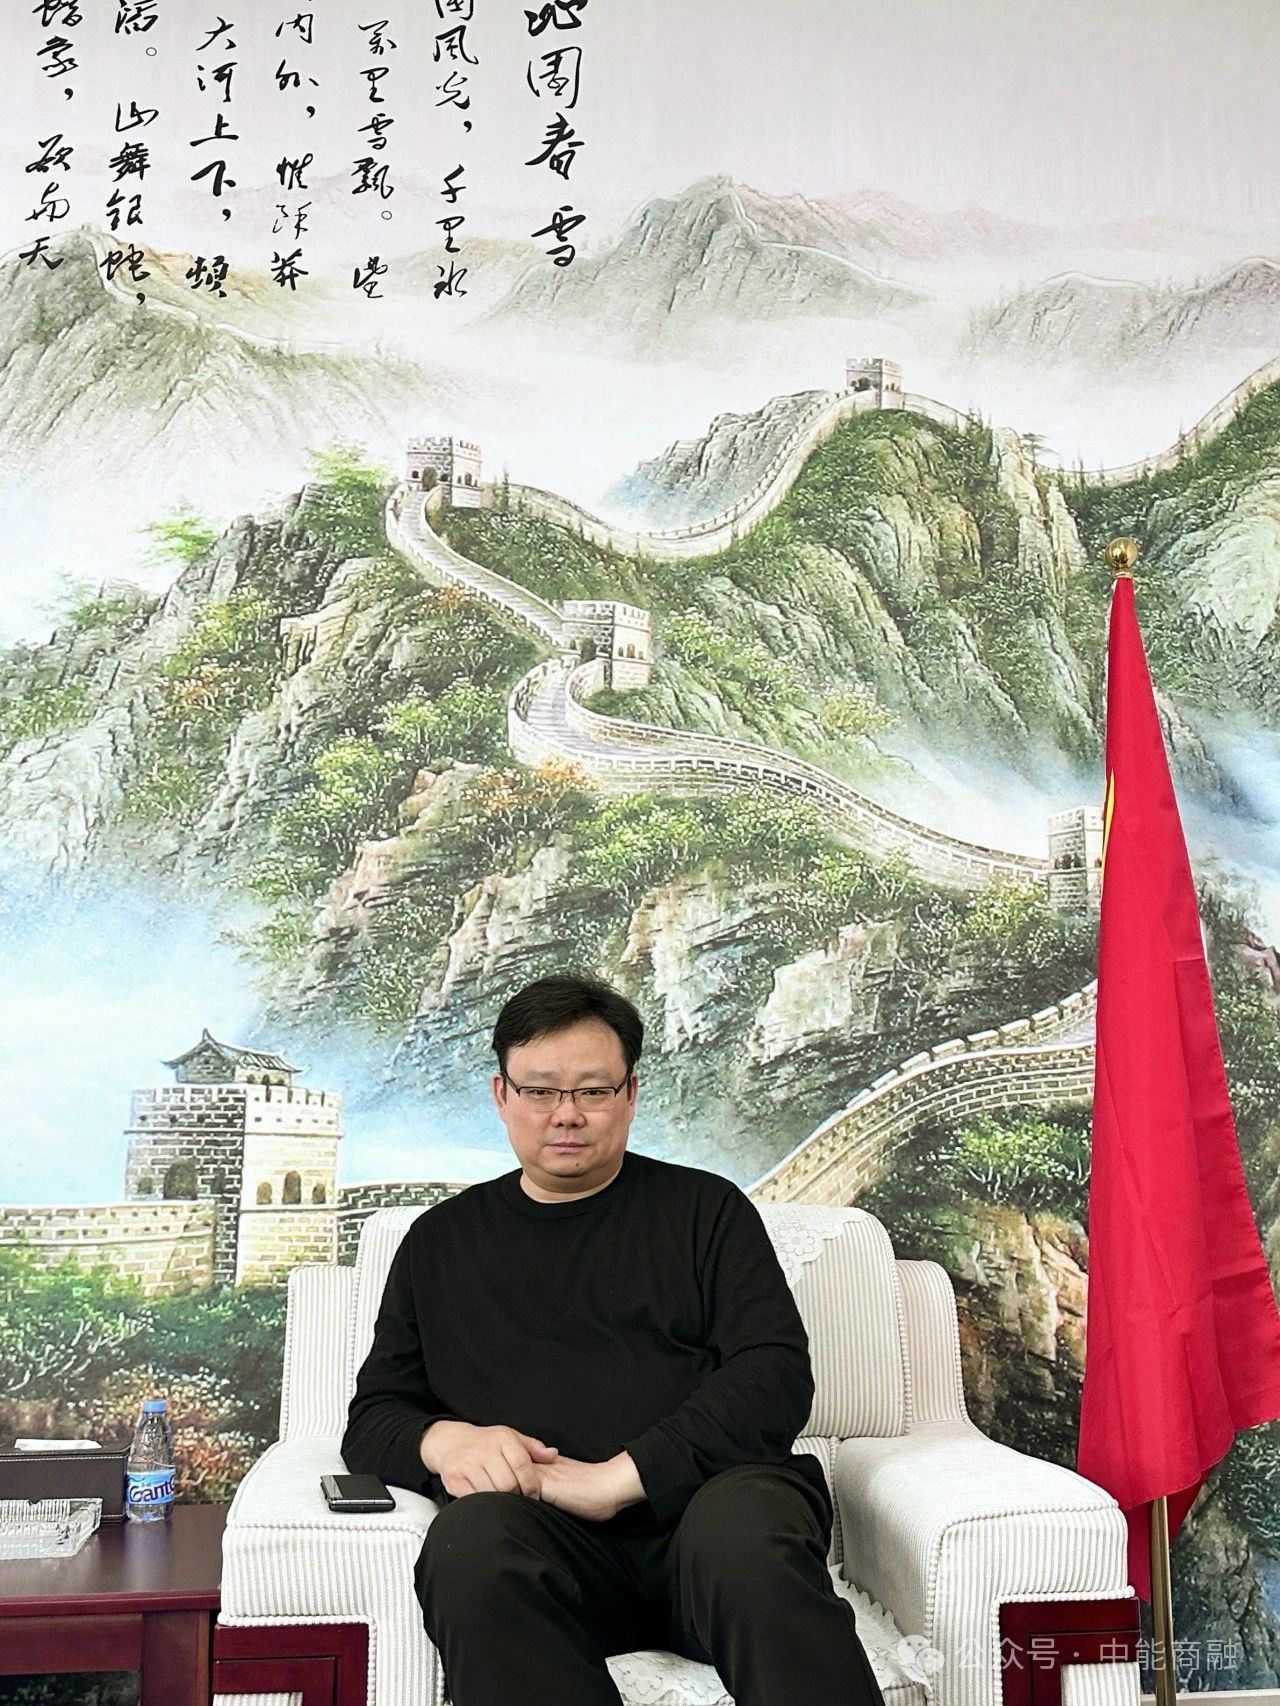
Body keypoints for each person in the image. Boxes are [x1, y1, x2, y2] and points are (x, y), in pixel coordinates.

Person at [342, 973, 886, 1706]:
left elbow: (774, 1375)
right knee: (471, 1544)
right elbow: (375, 1416)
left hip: (709, 1516)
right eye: (540, 1091)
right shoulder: (438, 1243)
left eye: (593, 1091)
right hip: (541, 1537)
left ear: (631, 1094)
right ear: (502, 1095)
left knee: (749, 1533)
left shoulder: (706, 1211)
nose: (566, 1114)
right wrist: (446, 1442)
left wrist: (619, 1479)